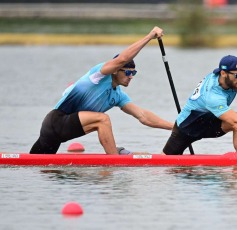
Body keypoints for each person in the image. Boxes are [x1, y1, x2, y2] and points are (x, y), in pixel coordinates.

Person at [30, 27, 173, 155]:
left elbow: (143, 116)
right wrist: (149, 36)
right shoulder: (99, 74)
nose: (131, 76)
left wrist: (176, 128)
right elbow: (123, 58)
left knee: (37, 166)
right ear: (116, 70)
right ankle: (114, 160)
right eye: (127, 72)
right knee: (102, 119)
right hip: (56, 122)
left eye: (133, 73)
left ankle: (115, 155)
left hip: (61, 134)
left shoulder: (118, 96)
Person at [162, 29, 237, 155]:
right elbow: (235, 123)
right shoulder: (212, 95)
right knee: (166, 164)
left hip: (209, 122)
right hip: (186, 128)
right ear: (223, 73)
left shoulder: (229, 74)